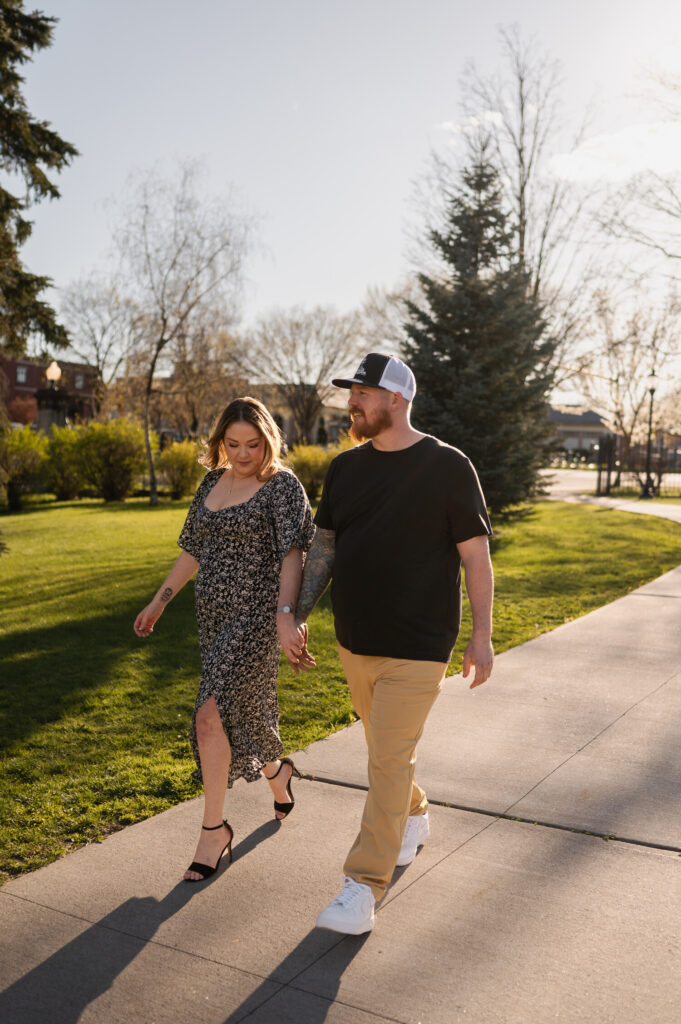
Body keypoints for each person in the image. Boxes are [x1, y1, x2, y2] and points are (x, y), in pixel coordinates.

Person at [294, 353, 494, 934]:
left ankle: (361, 888)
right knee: (387, 754)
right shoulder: (346, 469)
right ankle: (415, 813)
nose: (352, 401)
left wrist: (481, 637)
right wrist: (298, 613)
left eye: (362, 392)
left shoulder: (449, 467)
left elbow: (475, 557)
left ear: (396, 400)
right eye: (351, 392)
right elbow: (325, 546)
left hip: (419, 644)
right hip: (355, 641)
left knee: (386, 757)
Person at [134, 397, 315, 882]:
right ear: (219, 443)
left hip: (257, 618)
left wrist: (285, 617)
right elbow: (193, 549)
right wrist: (159, 601)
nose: (242, 453)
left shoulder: (281, 487)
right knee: (246, 710)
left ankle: (213, 831)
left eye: (252, 444)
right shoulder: (212, 482)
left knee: (209, 716)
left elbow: (294, 553)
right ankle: (278, 774)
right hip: (212, 619)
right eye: (231, 444)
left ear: (269, 440)